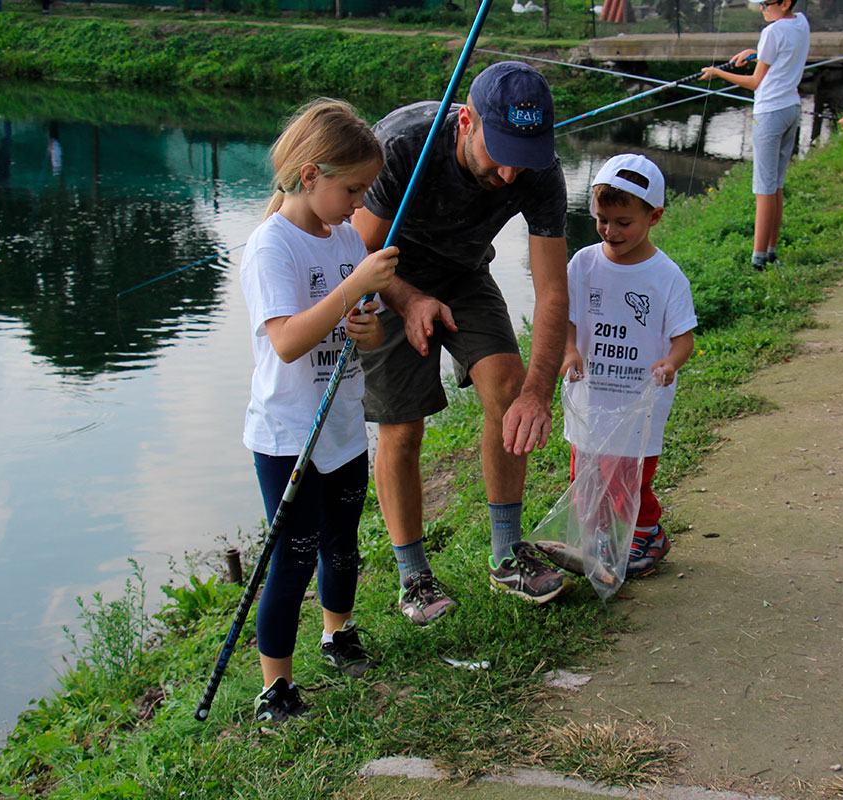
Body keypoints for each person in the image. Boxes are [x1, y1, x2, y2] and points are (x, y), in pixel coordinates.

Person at [350, 61, 572, 626]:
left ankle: (506, 553)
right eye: (497, 151)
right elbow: (352, 253)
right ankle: (414, 576)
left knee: (508, 387)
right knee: (403, 425)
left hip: (465, 271)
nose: (508, 173)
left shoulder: (537, 167)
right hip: (387, 271)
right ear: (465, 120)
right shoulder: (404, 146)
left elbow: (551, 290)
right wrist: (406, 300)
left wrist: (538, 391)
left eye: (522, 158)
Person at [239, 98, 399, 722]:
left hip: (342, 427)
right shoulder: (270, 246)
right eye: (353, 189)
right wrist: (350, 290)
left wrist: (368, 328)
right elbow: (285, 339)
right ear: (311, 175)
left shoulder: (342, 239)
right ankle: (274, 686)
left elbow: (371, 331)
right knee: (294, 554)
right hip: (288, 434)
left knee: (342, 544)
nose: (360, 204)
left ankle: (338, 633)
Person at [560, 154, 697, 576]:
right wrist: (569, 350)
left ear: (654, 216)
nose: (610, 231)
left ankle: (648, 533)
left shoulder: (666, 275)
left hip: (639, 403)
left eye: (623, 222)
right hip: (591, 397)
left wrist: (670, 364)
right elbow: (564, 317)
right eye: (602, 219)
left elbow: (683, 339)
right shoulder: (583, 264)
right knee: (585, 478)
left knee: (628, 480)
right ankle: (597, 543)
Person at [698, 0, 809, 270]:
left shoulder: (771, 32)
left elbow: (755, 82)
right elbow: (782, 56)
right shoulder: (802, 22)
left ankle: (758, 260)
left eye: (766, 3)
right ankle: (771, 252)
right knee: (776, 186)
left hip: (770, 113)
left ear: (784, 2)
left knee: (763, 188)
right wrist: (756, 54)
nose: (762, 8)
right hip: (791, 108)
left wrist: (717, 72)